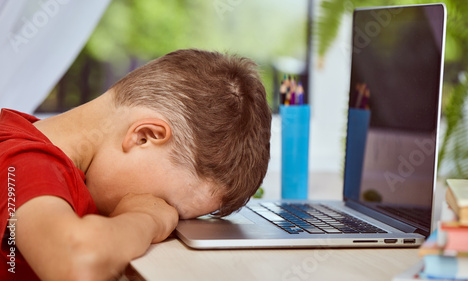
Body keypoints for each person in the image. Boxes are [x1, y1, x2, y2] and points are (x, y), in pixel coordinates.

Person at [0, 49, 272, 280]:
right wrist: (147, 218)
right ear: (144, 136)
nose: (166, 215)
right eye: (164, 202)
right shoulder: (21, 161)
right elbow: (77, 260)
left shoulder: (54, 159)